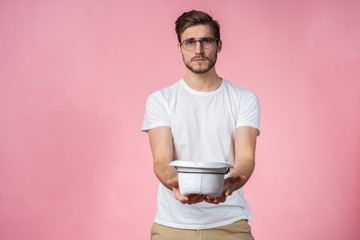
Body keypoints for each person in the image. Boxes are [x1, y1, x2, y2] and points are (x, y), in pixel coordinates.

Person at [142, 10, 260, 240]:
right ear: (180, 48)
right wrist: (175, 184)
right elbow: (161, 160)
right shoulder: (160, 100)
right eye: (190, 42)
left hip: (229, 224)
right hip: (172, 225)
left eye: (206, 41)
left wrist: (228, 185)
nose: (198, 50)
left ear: (218, 45)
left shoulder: (244, 98)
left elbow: (246, 158)